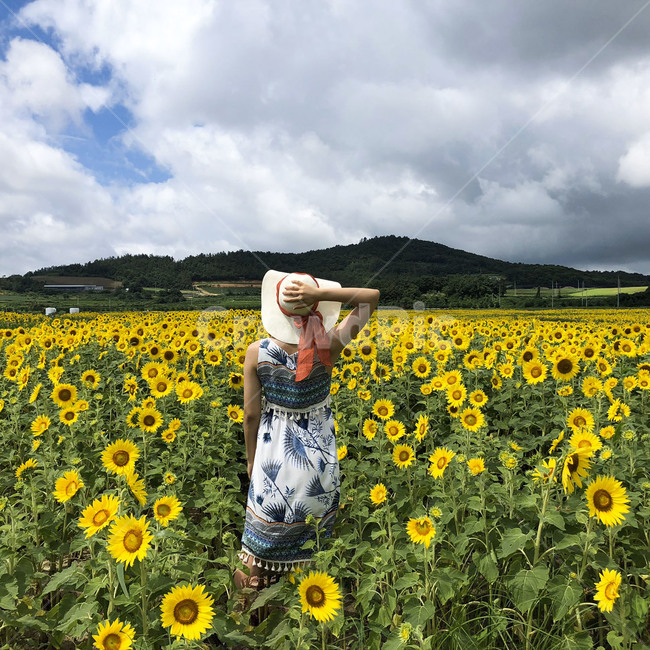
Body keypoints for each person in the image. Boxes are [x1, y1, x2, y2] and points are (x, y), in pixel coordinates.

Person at [234, 270, 380, 591]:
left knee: (257, 554)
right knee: (313, 555)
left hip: (272, 462)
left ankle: (249, 621)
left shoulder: (256, 353)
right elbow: (371, 299)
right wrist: (321, 297)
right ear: (316, 305)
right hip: (319, 465)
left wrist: (250, 460)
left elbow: (250, 416)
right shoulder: (330, 345)